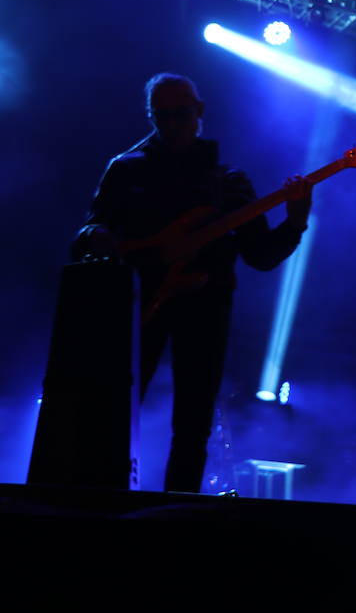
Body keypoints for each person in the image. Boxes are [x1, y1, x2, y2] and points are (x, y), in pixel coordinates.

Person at [73, 73, 311, 493]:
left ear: (199, 112)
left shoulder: (230, 182)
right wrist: (136, 245)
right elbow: (86, 237)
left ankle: (174, 514)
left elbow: (260, 255)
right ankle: (100, 501)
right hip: (136, 304)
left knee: (193, 422)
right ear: (151, 117)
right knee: (116, 410)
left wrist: (294, 221)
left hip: (205, 307)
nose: (173, 124)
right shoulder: (127, 169)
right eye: (162, 116)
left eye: (181, 114)